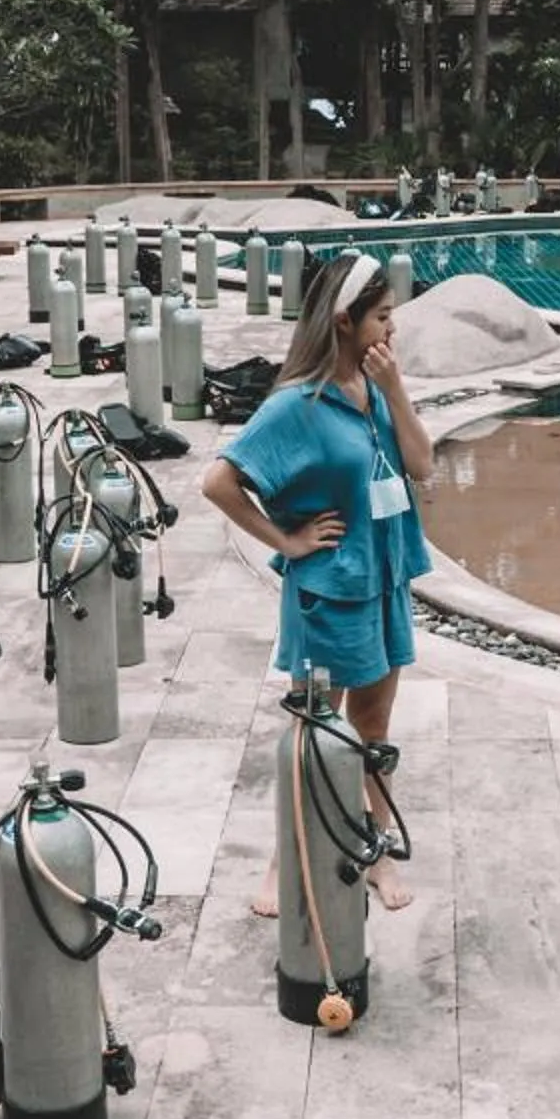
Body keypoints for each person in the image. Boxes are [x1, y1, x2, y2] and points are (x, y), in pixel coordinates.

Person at [199, 250, 433, 915]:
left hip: (386, 578)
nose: (392, 329)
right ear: (344, 320)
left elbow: (423, 465)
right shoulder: (295, 407)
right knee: (316, 731)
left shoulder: (375, 389)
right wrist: (288, 540)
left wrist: (396, 390)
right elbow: (219, 481)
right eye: (383, 317)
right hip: (329, 591)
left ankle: (377, 851)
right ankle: (284, 859)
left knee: (375, 730)